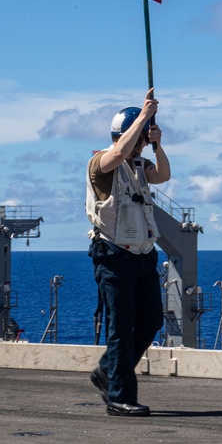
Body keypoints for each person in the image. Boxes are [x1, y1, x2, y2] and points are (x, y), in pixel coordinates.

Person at [86, 89, 170, 416]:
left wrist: (158, 144)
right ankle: (120, 398)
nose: (141, 147)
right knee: (120, 328)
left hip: (143, 255)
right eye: (140, 140)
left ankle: (107, 370)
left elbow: (163, 175)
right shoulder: (101, 163)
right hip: (114, 255)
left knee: (150, 321)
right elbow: (118, 153)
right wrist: (144, 117)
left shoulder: (140, 164)